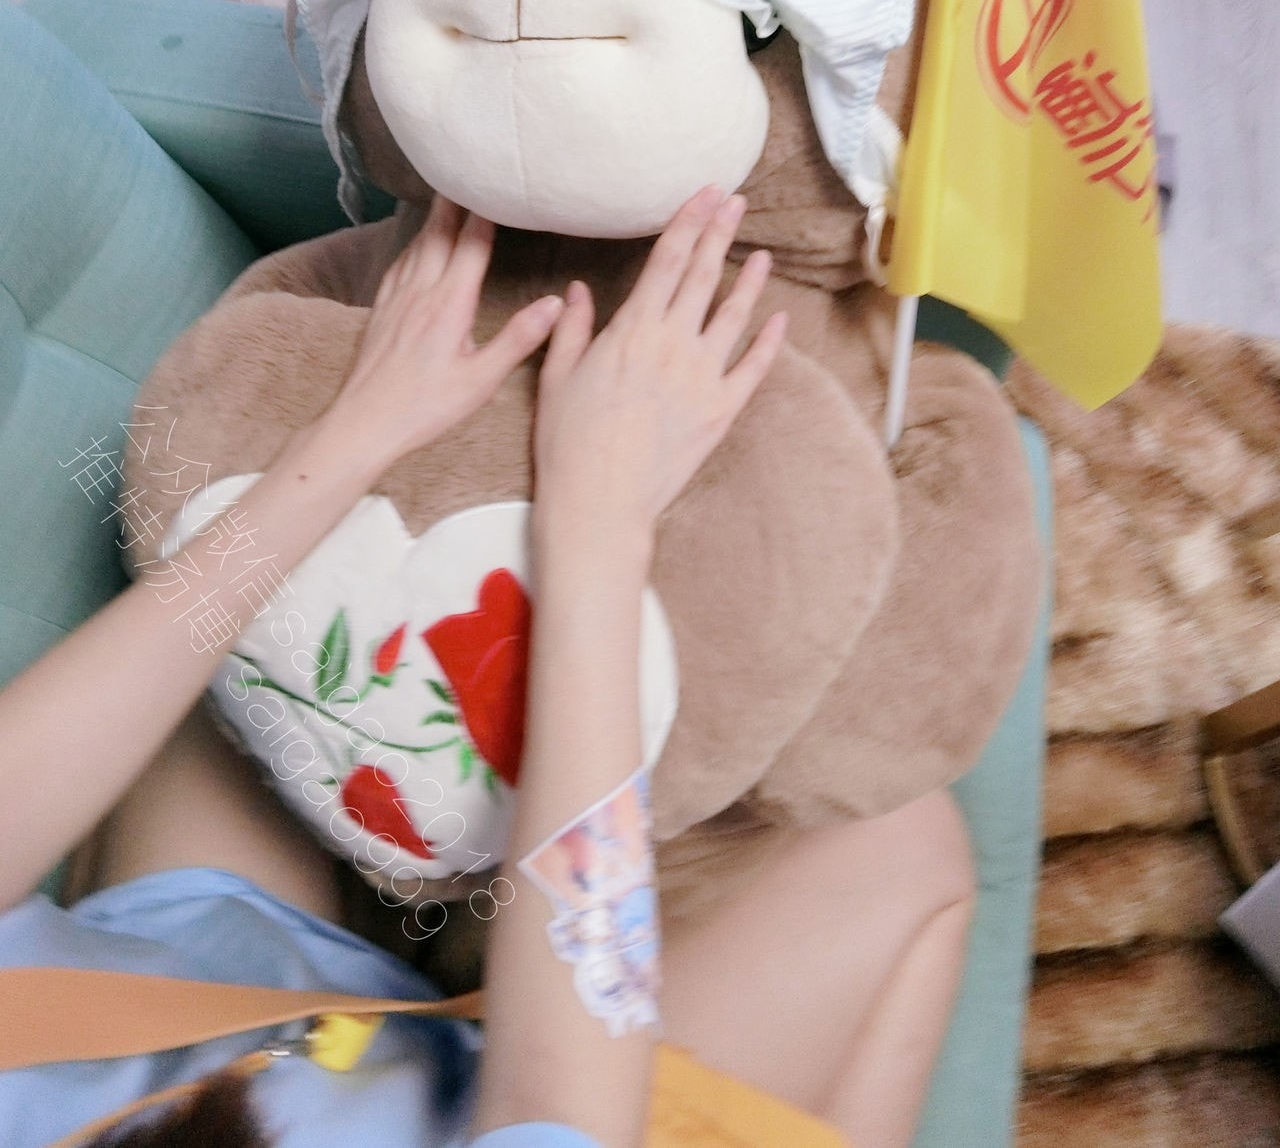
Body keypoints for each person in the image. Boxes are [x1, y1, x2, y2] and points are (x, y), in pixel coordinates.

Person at [0, 187, 975, 1148]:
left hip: (176, 1004)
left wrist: (350, 438)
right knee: (900, 846)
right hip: (498, 1102)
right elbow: (560, 1095)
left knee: (235, 667)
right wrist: (597, 520)